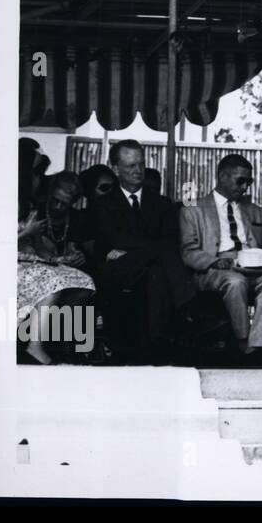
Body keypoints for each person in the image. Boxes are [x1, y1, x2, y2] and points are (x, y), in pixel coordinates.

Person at [89, 140, 197, 362]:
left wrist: (131, 249)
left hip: (147, 267)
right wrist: (149, 246)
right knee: (163, 253)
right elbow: (110, 239)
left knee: (157, 272)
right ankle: (188, 305)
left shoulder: (162, 203)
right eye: (130, 166)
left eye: (141, 164)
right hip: (118, 270)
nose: (138, 170)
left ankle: (156, 345)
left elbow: (170, 238)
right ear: (116, 168)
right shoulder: (102, 204)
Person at [180, 153, 262, 363]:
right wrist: (214, 261)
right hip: (214, 268)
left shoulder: (255, 211)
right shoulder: (192, 210)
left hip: (254, 266)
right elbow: (188, 251)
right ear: (222, 177)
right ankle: (244, 343)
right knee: (235, 281)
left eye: (249, 181)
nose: (245, 186)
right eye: (240, 180)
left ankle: (257, 345)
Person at [17, 172, 98, 364]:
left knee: (85, 282)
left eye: (65, 203)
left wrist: (69, 257)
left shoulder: (76, 219)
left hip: (45, 263)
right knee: (55, 282)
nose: (58, 206)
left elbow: (44, 250)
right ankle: (36, 345)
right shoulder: (33, 210)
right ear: (50, 192)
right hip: (26, 263)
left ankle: (64, 344)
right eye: (55, 200)